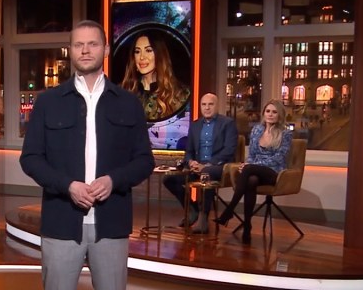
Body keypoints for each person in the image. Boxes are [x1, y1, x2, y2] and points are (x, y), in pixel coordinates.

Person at [20, 20, 154, 290]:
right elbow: (31, 158)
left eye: (92, 44)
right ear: (70, 50)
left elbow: (144, 160)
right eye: (78, 44)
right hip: (63, 223)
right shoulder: (49, 102)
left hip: (110, 224)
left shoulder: (127, 103)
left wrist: (114, 180)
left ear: (105, 49)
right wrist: (68, 185)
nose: (84, 50)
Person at [215, 99, 293, 244]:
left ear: (280, 115)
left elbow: (279, 158)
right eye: (268, 111)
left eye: (274, 112)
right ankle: (247, 226)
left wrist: (250, 166)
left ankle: (229, 210)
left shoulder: (285, 133)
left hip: (274, 172)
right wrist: (250, 164)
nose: (270, 114)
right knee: (251, 181)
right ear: (264, 113)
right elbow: (251, 155)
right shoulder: (257, 130)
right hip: (255, 172)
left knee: (249, 169)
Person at [163, 93, 238, 233]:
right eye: (204, 104)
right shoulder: (195, 125)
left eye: (210, 104)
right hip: (197, 167)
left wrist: (207, 165)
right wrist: (191, 162)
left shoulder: (227, 123)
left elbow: (229, 150)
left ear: (217, 106)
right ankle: (192, 209)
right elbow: (189, 150)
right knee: (169, 179)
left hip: (220, 167)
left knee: (207, 173)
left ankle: (203, 218)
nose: (207, 108)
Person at [120, 32, 190, 122]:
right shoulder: (121, 92)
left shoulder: (181, 94)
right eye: (137, 51)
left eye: (148, 50)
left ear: (159, 54)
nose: (142, 57)